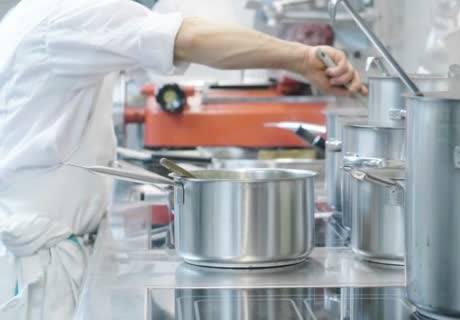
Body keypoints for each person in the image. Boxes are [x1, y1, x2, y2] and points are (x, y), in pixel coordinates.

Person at [0, 0, 367, 318]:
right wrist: (300, 57)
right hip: (42, 273)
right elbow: (188, 39)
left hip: (41, 249)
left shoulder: (33, 12)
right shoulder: (74, 10)